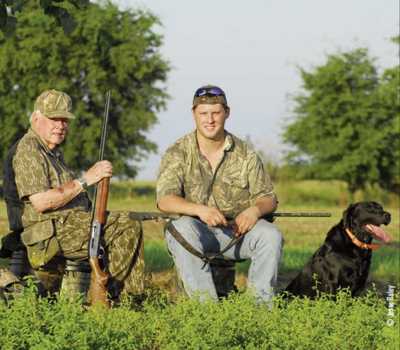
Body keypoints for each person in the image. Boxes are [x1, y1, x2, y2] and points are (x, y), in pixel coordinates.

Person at [2, 89, 144, 300]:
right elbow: (41, 201)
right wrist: (86, 179)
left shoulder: (52, 152)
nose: (60, 125)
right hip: (48, 230)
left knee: (125, 221)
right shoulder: (28, 150)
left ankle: (116, 298)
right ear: (35, 119)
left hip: (65, 225)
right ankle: (123, 303)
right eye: (54, 119)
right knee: (126, 225)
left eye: (64, 120)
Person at [156, 84, 284, 304]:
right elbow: (165, 200)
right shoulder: (177, 152)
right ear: (193, 114)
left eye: (216, 113)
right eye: (203, 114)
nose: (210, 120)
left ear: (227, 113)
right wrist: (199, 210)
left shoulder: (245, 154)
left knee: (271, 235)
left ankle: (260, 311)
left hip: (235, 234)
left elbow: (268, 198)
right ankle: (208, 311)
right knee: (181, 227)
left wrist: (255, 210)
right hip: (195, 234)